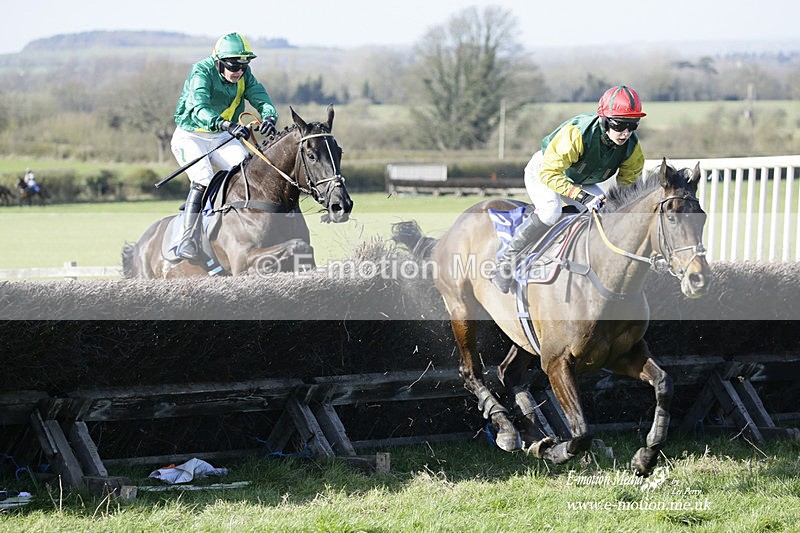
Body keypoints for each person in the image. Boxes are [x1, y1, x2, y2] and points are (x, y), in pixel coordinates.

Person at [492, 85, 647, 293]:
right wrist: (581, 197)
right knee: (550, 212)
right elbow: (549, 173)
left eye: (632, 125)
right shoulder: (577, 133)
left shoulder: (632, 148)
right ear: (604, 120)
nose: (626, 133)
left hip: (580, 178)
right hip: (545, 170)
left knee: (606, 215)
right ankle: (505, 264)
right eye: (619, 125)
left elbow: (627, 187)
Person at [171, 32, 279, 260]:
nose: (238, 71)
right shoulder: (201, 71)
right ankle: (186, 239)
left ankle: (241, 230)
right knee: (203, 177)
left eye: (243, 65)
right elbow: (199, 107)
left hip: (221, 136)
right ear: (219, 61)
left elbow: (261, 98)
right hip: (191, 136)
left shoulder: (244, 74)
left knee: (246, 172)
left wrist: (269, 117)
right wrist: (226, 124)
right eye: (233, 66)